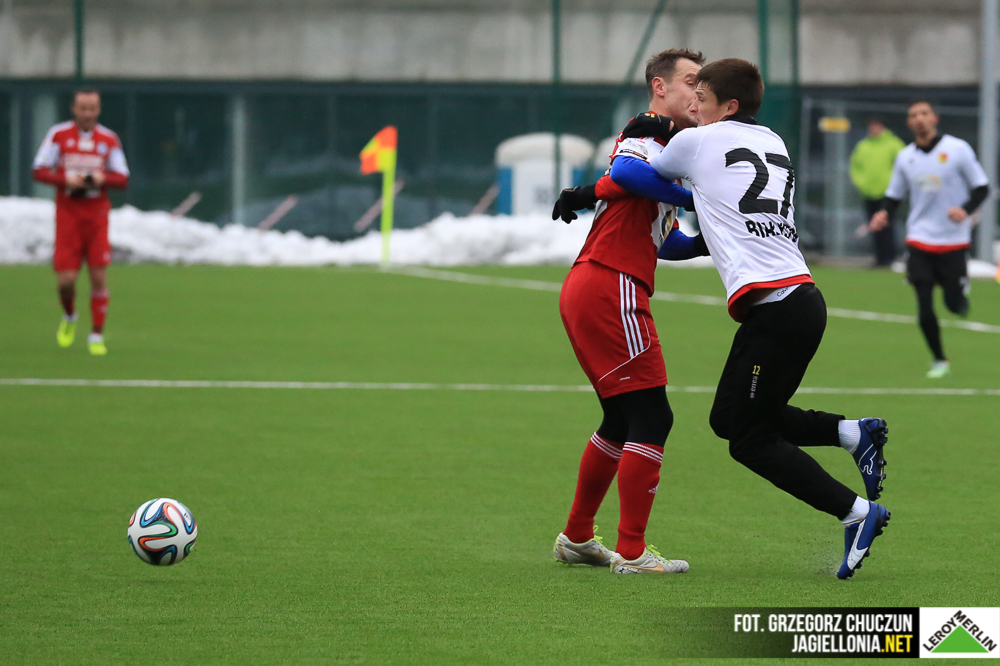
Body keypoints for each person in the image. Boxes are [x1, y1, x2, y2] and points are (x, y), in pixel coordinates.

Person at [607, 58, 890, 579]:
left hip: (779, 309)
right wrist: (701, 211)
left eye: (702, 97)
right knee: (727, 419)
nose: (693, 105)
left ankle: (856, 512)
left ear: (729, 105)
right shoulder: (773, 141)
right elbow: (696, 229)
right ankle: (852, 433)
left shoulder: (696, 141)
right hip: (793, 302)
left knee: (750, 441)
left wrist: (638, 153)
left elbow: (628, 172)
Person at [549, 49, 704, 574]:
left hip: (597, 282)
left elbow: (664, 238)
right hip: (610, 283)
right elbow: (627, 172)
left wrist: (705, 241)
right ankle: (633, 553)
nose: (698, 92)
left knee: (620, 418)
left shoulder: (671, 150)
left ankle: (577, 537)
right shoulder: (650, 131)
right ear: (660, 87)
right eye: (690, 81)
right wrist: (696, 199)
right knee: (654, 416)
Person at [869, 100, 990, 379]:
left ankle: (959, 293)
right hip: (919, 239)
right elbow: (894, 195)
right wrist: (883, 213)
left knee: (954, 305)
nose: (920, 119)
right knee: (923, 304)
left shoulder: (957, 149)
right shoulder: (905, 157)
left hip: (953, 240)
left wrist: (965, 210)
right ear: (909, 123)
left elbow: (982, 188)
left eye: (924, 113)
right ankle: (939, 359)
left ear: (935, 118)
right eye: (914, 115)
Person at [33, 88, 130, 356]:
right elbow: (39, 170)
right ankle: (70, 315)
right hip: (68, 215)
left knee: (98, 274)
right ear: (73, 109)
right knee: (66, 280)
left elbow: (122, 178)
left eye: (92, 108)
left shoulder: (108, 139)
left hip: (96, 216)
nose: (87, 114)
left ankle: (96, 334)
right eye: (83, 108)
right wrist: (65, 179)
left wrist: (101, 179)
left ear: (98, 110)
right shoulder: (59, 135)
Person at [849, 117, 905, 266]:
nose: (873, 129)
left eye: (877, 126)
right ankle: (879, 258)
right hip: (869, 193)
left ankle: (890, 258)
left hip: (888, 194)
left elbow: (903, 166)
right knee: (873, 226)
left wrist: (895, 186)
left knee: (887, 226)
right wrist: (861, 183)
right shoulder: (863, 145)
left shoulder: (893, 144)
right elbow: (855, 166)